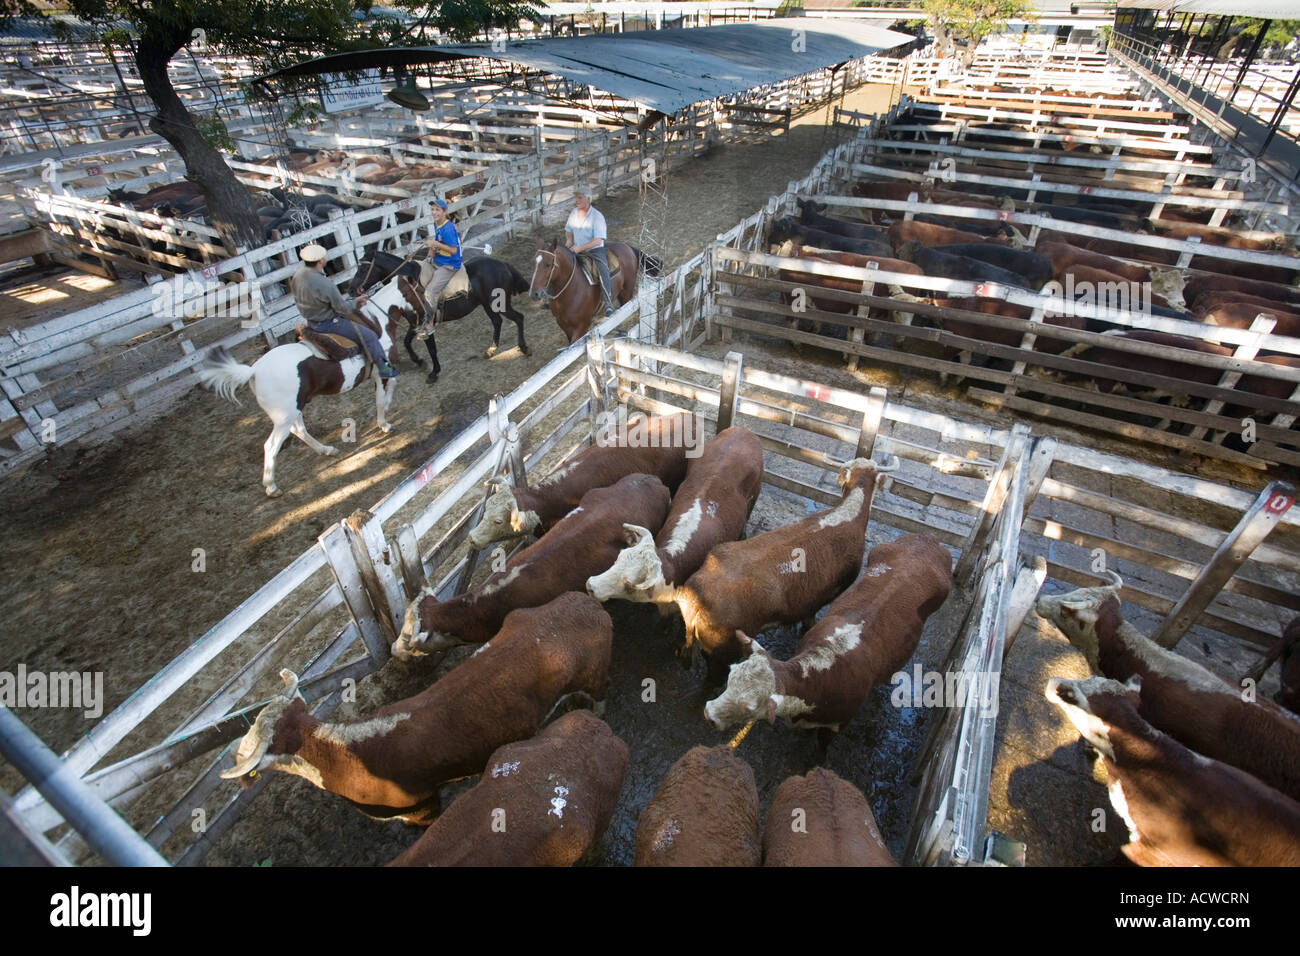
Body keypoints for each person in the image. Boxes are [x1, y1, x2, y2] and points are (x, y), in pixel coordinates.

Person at [290, 243, 397, 379]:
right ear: (321, 261)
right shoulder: (324, 283)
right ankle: (384, 369)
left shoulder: (297, 276)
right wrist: (356, 301)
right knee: (370, 336)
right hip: (328, 323)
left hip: (310, 322)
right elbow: (342, 308)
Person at [565, 185, 615, 317]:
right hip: (576, 248)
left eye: (579, 198)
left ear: (588, 199)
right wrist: (568, 243)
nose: (577, 200)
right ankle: (551, 295)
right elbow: (568, 232)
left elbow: (598, 240)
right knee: (558, 264)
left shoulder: (597, 217)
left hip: (594, 250)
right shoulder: (573, 213)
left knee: (602, 269)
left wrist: (579, 248)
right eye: (576, 197)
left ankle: (608, 303)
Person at [416, 198, 462, 338]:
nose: (434, 212)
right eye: (433, 210)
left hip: (449, 265)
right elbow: (438, 245)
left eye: (437, 210)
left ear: (444, 212)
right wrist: (431, 252)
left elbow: (453, 250)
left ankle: (429, 326)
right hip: (438, 260)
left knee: (429, 292)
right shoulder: (438, 225)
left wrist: (435, 243)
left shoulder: (448, 228)